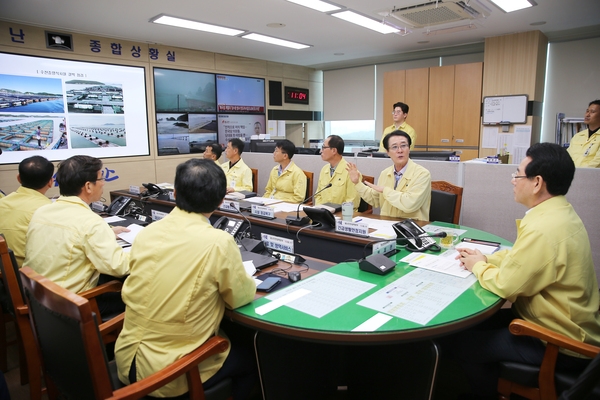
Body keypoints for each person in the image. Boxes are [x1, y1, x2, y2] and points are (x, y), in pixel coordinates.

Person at [444, 142, 600, 399]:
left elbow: (508, 285)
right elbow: (522, 257)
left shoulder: (545, 228)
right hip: (559, 323)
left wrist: (478, 266)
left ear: (537, 182)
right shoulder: (559, 212)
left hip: (557, 342)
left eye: (517, 174)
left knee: (463, 345)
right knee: (467, 327)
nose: (512, 181)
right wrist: (486, 259)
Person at [115, 158, 257, 399]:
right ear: (222, 199)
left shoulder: (148, 233)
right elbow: (240, 298)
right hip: (172, 373)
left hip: (127, 357)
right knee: (254, 358)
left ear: (175, 193)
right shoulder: (218, 242)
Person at [24, 155, 130, 314]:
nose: (103, 183)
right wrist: (144, 248)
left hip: (40, 299)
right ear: (88, 186)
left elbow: (66, 238)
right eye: (101, 178)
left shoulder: (42, 211)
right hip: (71, 305)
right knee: (143, 295)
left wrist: (106, 233)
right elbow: (119, 267)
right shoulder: (90, 221)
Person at [348, 130, 431, 219]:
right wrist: (357, 183)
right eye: (394, 147)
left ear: (409, 148)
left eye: (403, 146)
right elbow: (376, 200)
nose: (400, 150)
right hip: (386, 225)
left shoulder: (422, 174)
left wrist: (385, 190)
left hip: (412, 227)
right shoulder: (385, 173)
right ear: (387, 152)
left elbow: (410, 204)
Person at [0, 156, 54, 267]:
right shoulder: (48, 210)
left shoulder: (2, 202)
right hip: (31, 276)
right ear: (50, 182)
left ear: (18, 178)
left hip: (6, 272)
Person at [315, 135, 359, 210]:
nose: (320, 151)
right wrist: (320, 211)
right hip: (323, 214)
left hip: (342, 215)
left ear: (334, 151)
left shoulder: (351, 172)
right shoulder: (324, 169)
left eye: (324, 147)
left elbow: (352, 202)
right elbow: (318, 196)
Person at [567, 99, 600, 167]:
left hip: (592, 175)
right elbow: (567, 158)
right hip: (571, 175)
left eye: (592, 112)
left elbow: (596, 163)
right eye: (587, 111)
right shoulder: (578, 136)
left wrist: (579, 173)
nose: (587, 114)